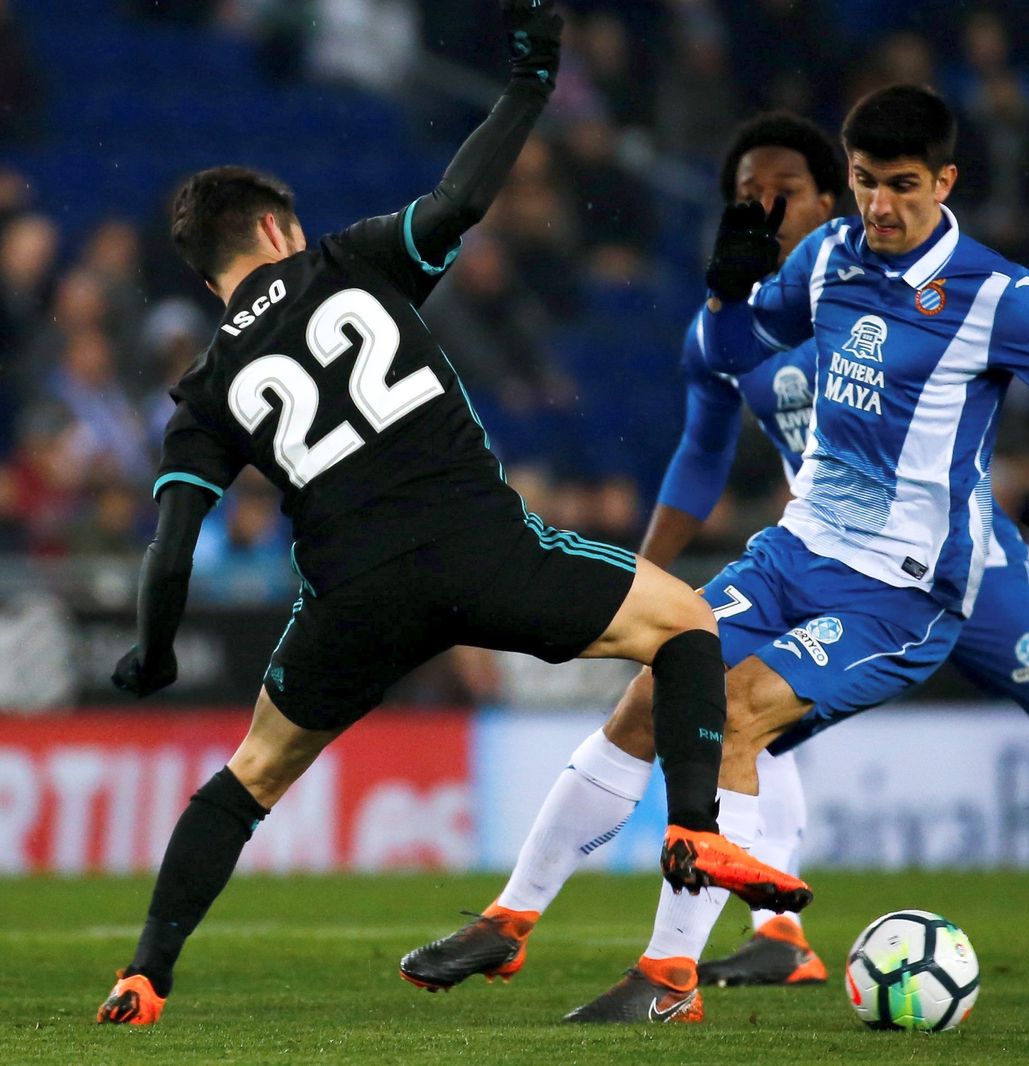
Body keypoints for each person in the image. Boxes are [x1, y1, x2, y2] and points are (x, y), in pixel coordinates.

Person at [403, 90, 1029, 1024]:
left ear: (945, 181)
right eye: (865, 183)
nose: (879, 205)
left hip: (915, 586)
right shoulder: (827, 256)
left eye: (900, 185)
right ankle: (511, 919)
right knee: (657, 691)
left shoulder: (999, 296)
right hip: (796, 552)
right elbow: (734, 350)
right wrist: (727, 292)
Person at [94, 1, 806, 1028]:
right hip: (480, 547)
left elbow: (170, 551)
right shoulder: (347, 261)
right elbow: (462, 198)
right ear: (279, 230)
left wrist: (154, 652)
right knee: (686, 624)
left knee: (249, 779)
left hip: (356, 595)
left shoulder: (204, 390)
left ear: (209, 276)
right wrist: (530, 81)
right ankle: (693, 828)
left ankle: (145, 975)